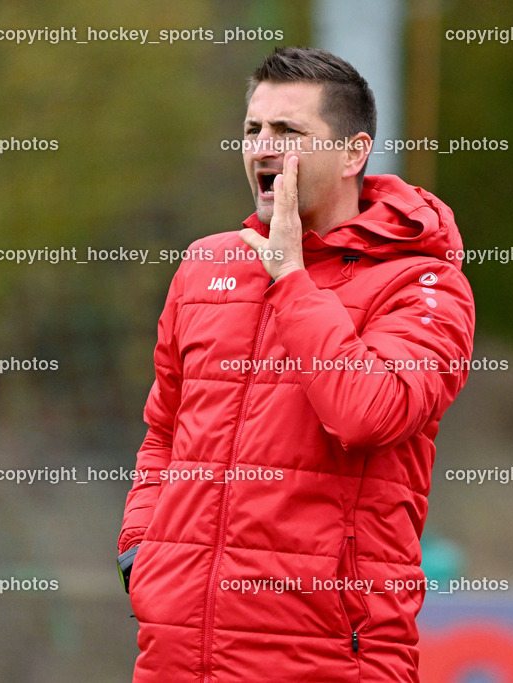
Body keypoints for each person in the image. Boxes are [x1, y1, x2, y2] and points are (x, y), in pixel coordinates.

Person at [118, 46, 475, 681]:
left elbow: (366, 414)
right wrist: (142, 550)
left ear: (353, 153)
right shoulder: (206, 265)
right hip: (177, 653)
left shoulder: (424, 285)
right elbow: (164, 431)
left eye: (290, 132)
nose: (263, 146)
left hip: (328, 658)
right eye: (253, 129)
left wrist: (290, 276)